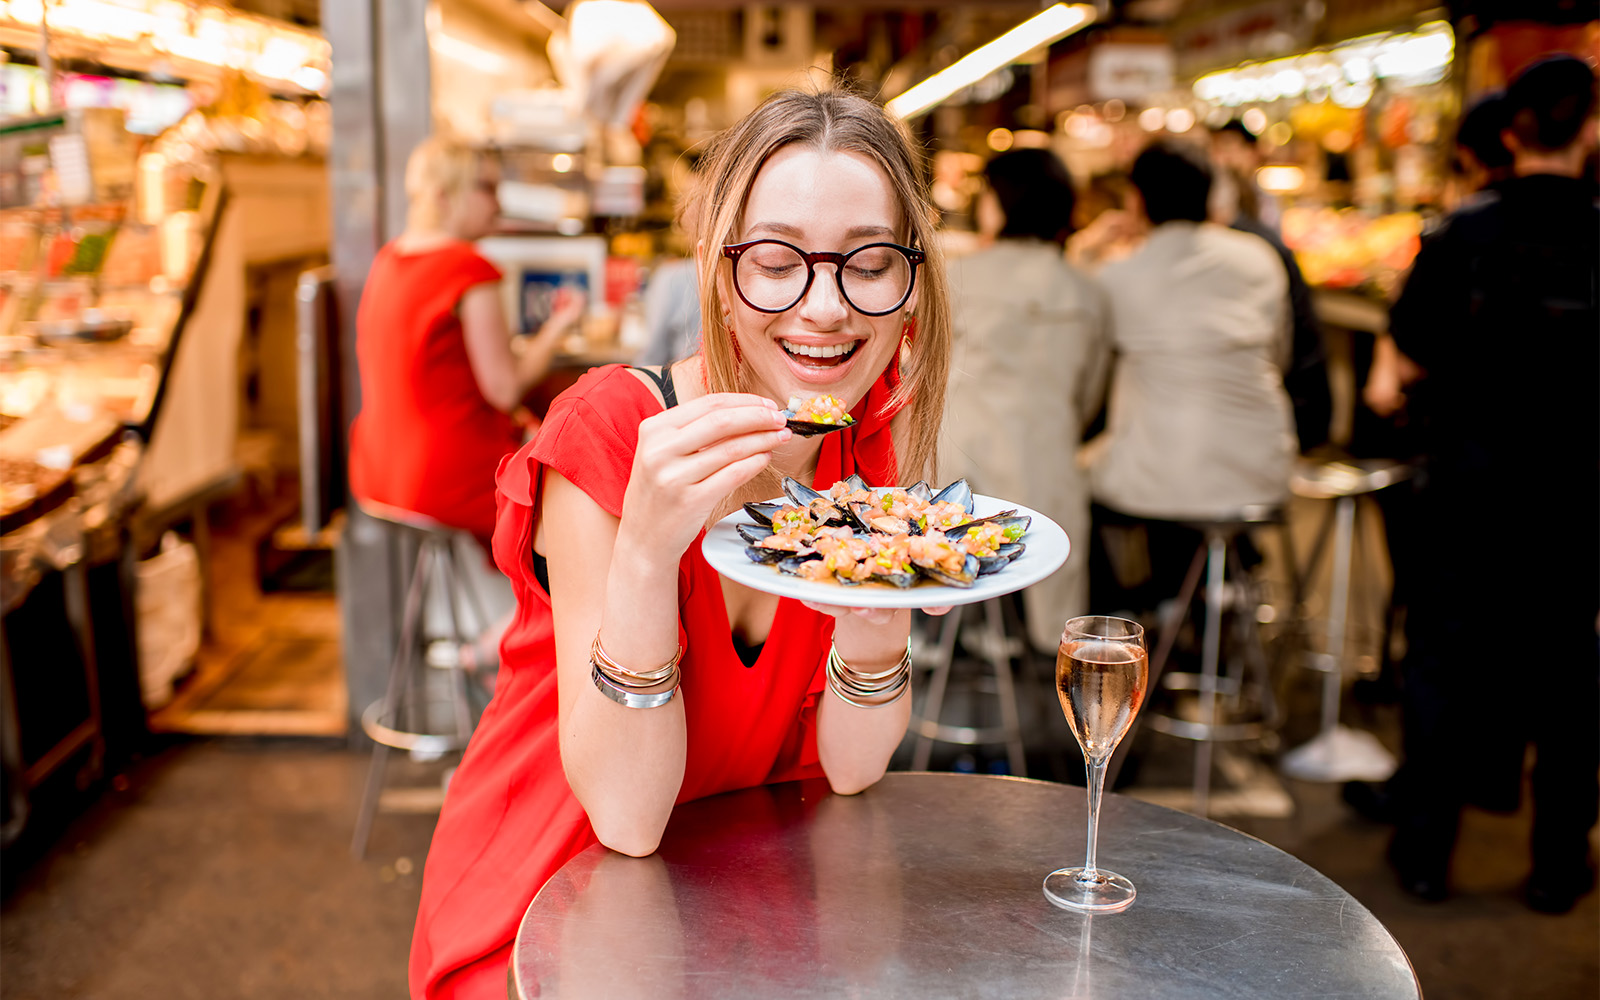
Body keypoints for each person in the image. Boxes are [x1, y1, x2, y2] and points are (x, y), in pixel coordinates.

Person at [408, 89, 955, 998]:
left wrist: (875, 608)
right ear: (718, 267)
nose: (824, 307)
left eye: (867, 262)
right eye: (778, 262)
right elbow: (624, 817)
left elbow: (853, 768)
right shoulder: (613, 432)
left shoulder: (862, 431)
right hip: (546, 912)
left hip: (731, 908)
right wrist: (647, 555)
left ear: (909, 285)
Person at [1346, 56, 1599, 912]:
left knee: (1443, 664)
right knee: (1571, 675)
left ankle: (1425, 854)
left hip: (1469, 489)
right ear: (1590, 129)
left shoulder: (1461, 234)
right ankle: (1560, 868)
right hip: (1576, 501)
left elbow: (1394, 374)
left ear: (1513, 132)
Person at [1083, 140, 1294, 614]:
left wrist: (1086, 248)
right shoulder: (1260, 258)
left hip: (1161, 484)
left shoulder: (1118, 275)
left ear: (1136, 200)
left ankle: (1128, 619)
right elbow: (1279, 356)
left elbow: (1086, 363)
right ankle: (1208, 597)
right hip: (1262, 473)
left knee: (1073, 477)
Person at [349, 135, 585, 551]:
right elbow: (505, 389)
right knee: (581, 512)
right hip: (446, 479)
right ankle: (518, 618)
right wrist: (560, 324)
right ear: (444, 196)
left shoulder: (389, 258)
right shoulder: (468, 268)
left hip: (376, 473)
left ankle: (505, 614)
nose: (498, 202)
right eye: (487, 188)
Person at [942, 147, 1108, 652]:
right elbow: (1091, 394)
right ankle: (1042, 650)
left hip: (951, 481)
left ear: (998, 203)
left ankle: (948, 634)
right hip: (1046, 477)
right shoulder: (1086, 292)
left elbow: (919, 375)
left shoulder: (956, 277)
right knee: (1058, 567)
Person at [1208, 124, 1332, 454]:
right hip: (1285, 408)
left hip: (1282, 414)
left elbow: (1277, 347)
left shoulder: (1253, 249)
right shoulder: (1255, 242)